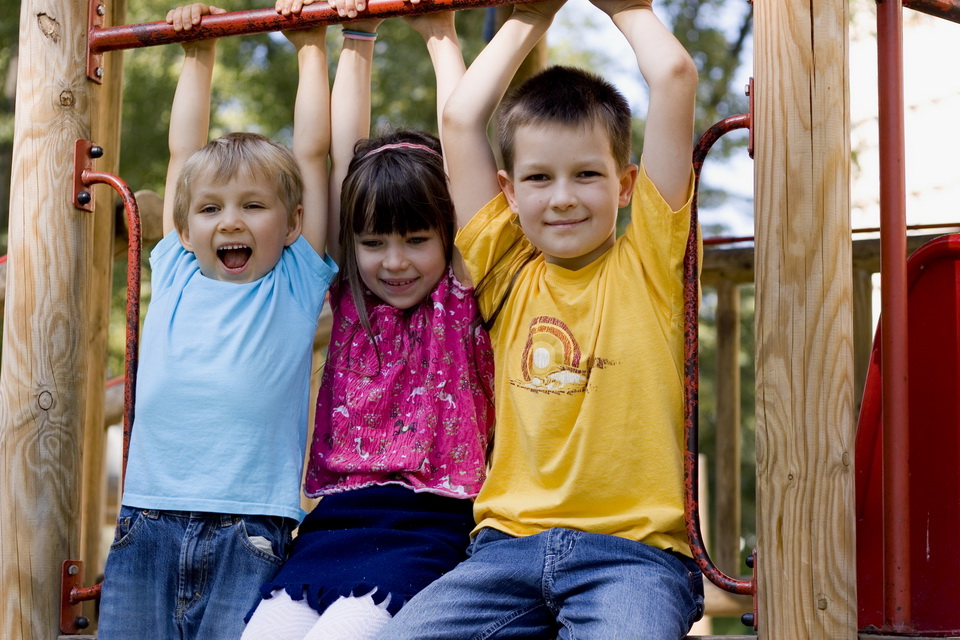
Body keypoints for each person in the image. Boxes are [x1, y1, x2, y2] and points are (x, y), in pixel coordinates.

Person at [381, 0, 704, 638]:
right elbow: (461, 117)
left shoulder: (651, 265)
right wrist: (530, 15)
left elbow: (674, 76)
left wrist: (627, 7)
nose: (561, 197)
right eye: (538, 177)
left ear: (626, 183)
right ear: (508, 191)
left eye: (587, 174)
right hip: (507, 550)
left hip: (632, 557)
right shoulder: (505, 272)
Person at [240, 2, 494, 640]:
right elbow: (330, 158)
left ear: (447, 235)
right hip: (332, 523)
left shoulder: (458, 299)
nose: (396, 261)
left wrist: (441, 40)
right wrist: (356, 36)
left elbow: (462, 139)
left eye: (416, 239)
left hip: (428, 525)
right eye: (376, 242)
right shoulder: (350, 300)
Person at [97, 5, 337, 639]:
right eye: (211, 208)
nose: (229, 220)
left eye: (253, 205)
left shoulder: (292, 280)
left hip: (250, 532)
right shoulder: (176, 268)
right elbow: (185, 150)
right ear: (185, 226)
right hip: (147, 521)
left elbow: (314, 156)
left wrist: (310, 48)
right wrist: (195, 52)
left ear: (289, 226)